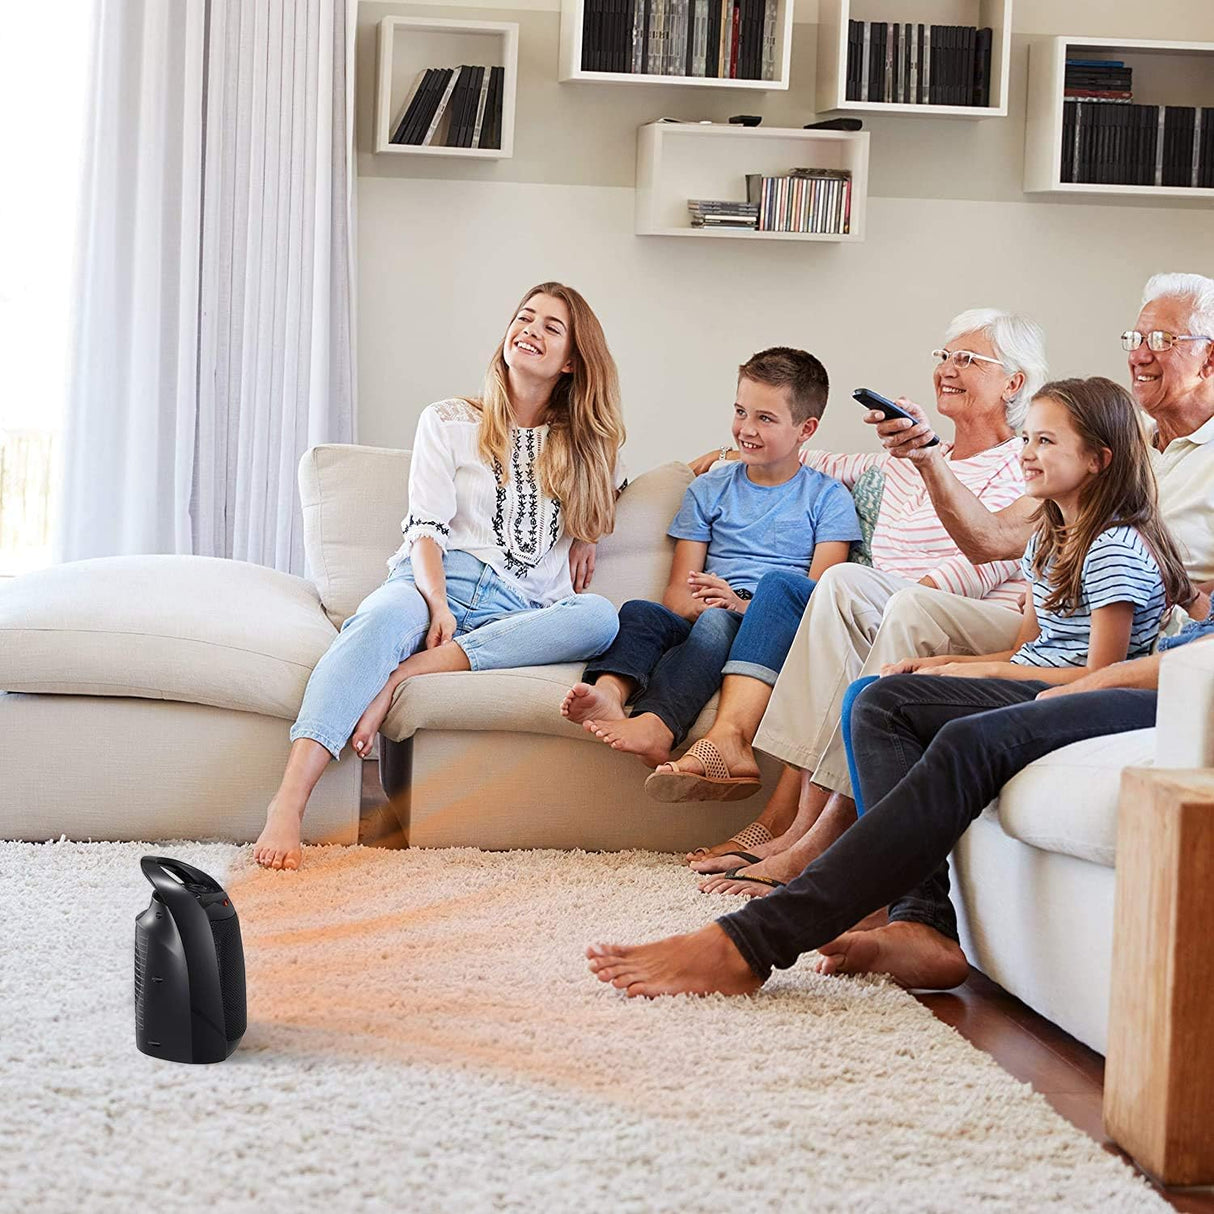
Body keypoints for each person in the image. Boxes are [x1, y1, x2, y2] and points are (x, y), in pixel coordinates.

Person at [586, 376, 1195, 996]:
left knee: (891, 700)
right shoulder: (1050, 534)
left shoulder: (1116, 547)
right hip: (1042, 669)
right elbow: (1025, 646)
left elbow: (1097, 671)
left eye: (1046, 441)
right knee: (874, 695)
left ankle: (780, 925)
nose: (1028, 452)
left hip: (1087, 687)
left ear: (1098, 459)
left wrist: (964, 668)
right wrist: (958, 664)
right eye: (1028, 438)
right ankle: (911, 917)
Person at [689, 277, 1214, 892]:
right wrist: (735, 455)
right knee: (844, 591)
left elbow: (994, 565)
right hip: (1046, 619)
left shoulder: (1081, 462)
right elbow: (1002, 539)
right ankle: (794, 821)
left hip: (1132, 640)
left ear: (1210, 355)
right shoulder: (1119, 449)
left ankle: (831, 834)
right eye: (1136, 336)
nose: (1140, 352)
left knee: (903, 612)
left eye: (1162, 339)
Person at [661, 309, 1047, 884]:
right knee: (810, 594)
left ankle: (805, 834)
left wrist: (891, 595)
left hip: (964, 615)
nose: (948, 368)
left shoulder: (1028, 462)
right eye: (943, 355)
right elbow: (811, 457)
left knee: (847, 590)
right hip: (886, 606)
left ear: (1014, 382)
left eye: (967, 359)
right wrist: (727, 456)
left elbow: (986, 563)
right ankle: (781, 820)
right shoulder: (900, 461)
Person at [253, 282, 626, 870]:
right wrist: (436, 604)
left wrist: (588, 534)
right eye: (524, 317)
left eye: (552, 327)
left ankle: (403, 675)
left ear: (573, 360)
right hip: (436, 582)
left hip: (520, 608)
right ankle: (288, 804)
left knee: (602, 618)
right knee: (376, 621)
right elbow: (425, 528)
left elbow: (614, 488)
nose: (530, 329)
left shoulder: (585, 446)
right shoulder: (450, 420)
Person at [559, 348, 860, 772]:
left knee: (719, 623)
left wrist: (737, 607)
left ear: (805, 429)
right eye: (741, 411)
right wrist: (701, 604)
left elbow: (817, 601)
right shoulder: (709, 490)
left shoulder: (829, 500)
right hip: (706, 610)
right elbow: (676, 594)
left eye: (765, 419)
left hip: (768, 624)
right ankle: (609, 693)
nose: (746, 429)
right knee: (640, 613)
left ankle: (658, 727)